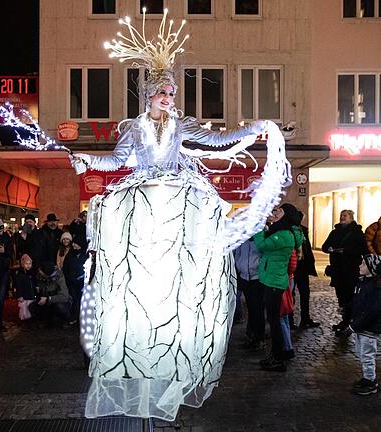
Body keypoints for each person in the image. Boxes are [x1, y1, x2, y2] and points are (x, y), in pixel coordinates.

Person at [69, 12, 277, 421]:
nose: (169, 98)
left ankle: (175, 334)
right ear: (149, 96)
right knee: (134, 267)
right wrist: (84, 159)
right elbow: (115, 163)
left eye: (172, 93)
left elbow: (217, 141)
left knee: (183, 268)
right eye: (163, 93)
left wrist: (254, 130)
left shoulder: (181, 127)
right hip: (142, 197)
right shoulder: (133, 129)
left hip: (177, 196)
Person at [253, 203, 303, 372]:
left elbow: (261, 246)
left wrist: (260, 229)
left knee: (275, 322)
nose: (275, 213)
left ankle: (279, 357)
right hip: (271, 279)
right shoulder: (279, 231)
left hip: (275, 282)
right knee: (274, 320)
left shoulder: (284, 235)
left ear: (286, 215)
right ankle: (276, 354)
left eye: (279, 211)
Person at [348, 254, 381, 396]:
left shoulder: (377, 288)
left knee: (367, 355)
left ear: (372, 268)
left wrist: (354, 325)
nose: (360, 266)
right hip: (362, 326)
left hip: (369, 328)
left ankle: (370, 381)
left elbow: (372, 311)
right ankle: (367, 378)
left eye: (364, 264)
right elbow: (358, 301)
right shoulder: (364, 282)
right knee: (361, 352)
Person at [322, 209, 367, 335]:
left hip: (350, 269)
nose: (342, 217)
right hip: (337, 269)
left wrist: (346, 251)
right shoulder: (335, 232)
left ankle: (348, 321)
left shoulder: (357, 233)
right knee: (340, 295)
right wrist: (329, 249)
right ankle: (345, 320)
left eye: (345, 216)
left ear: (351, 218)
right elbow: (324, 246)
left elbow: (363, 249)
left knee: (349, 295)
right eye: (341, 215)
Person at [234, 237, 264, 349]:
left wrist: (258, 266)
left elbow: (263, 255)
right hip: (245, 277)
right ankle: (253, 336)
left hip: (257, 278)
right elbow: (238, 253)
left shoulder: (260, 239)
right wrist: (239, 266)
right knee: (251, 308)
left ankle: (259, 337)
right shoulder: (243, 239)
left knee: (258, 309)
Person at [294, 212, 319, 329]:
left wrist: (310, 263)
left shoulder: (303, 230)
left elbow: (307, 248)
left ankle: (305, 318)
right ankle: (289, 319)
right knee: (291, 293)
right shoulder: (288, 230)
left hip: (302, 266)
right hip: (292, 266)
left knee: (305, 293)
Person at [56, 231, 88, 322]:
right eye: (73, 243)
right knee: (73, 299)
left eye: (76, 244)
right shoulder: (71, 254)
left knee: (81, 299)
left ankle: (81, 317)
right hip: (71, 281)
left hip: (81, 282)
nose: (74, 245)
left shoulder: (84, 255)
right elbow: (65, 266)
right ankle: (73, 316)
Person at [14, 254, 37, 320]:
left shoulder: (32, 273)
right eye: (26, 264)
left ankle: (31, 316)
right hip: (24, 295)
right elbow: (18, 286)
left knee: (31, 305)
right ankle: (25, 317)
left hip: (31, 293)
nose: (28, 265)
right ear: (23, 264)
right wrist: (19, 295)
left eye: (30, 264)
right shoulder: (20, 274)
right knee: (25, 307)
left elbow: (34, 282)